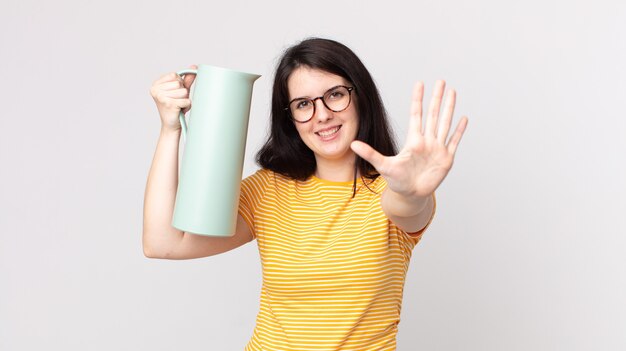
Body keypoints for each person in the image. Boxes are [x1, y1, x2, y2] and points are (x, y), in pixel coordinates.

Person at [143, 38, 468, 351]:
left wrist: (411, 192)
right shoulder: (267, 190)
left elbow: (408, 207)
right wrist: (170, 129)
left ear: (360, 97)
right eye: (303, 104)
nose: (322, 114)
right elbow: (164, 243)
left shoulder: (393, 188)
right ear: (290, 118)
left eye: (335, 95)